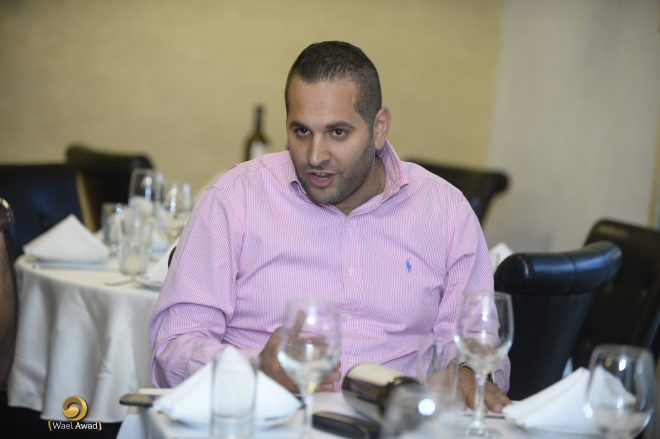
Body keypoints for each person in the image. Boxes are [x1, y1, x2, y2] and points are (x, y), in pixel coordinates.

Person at [150, 41, 511, 412]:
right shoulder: (235, 198)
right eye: (301, 131)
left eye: (337, 132)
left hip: (397, 425)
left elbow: (479, 344)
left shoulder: (446, 211)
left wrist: (469, 372)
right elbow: (173, 348)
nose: (315, 156)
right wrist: (254, 370)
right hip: (265, 421)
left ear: (379, 127)